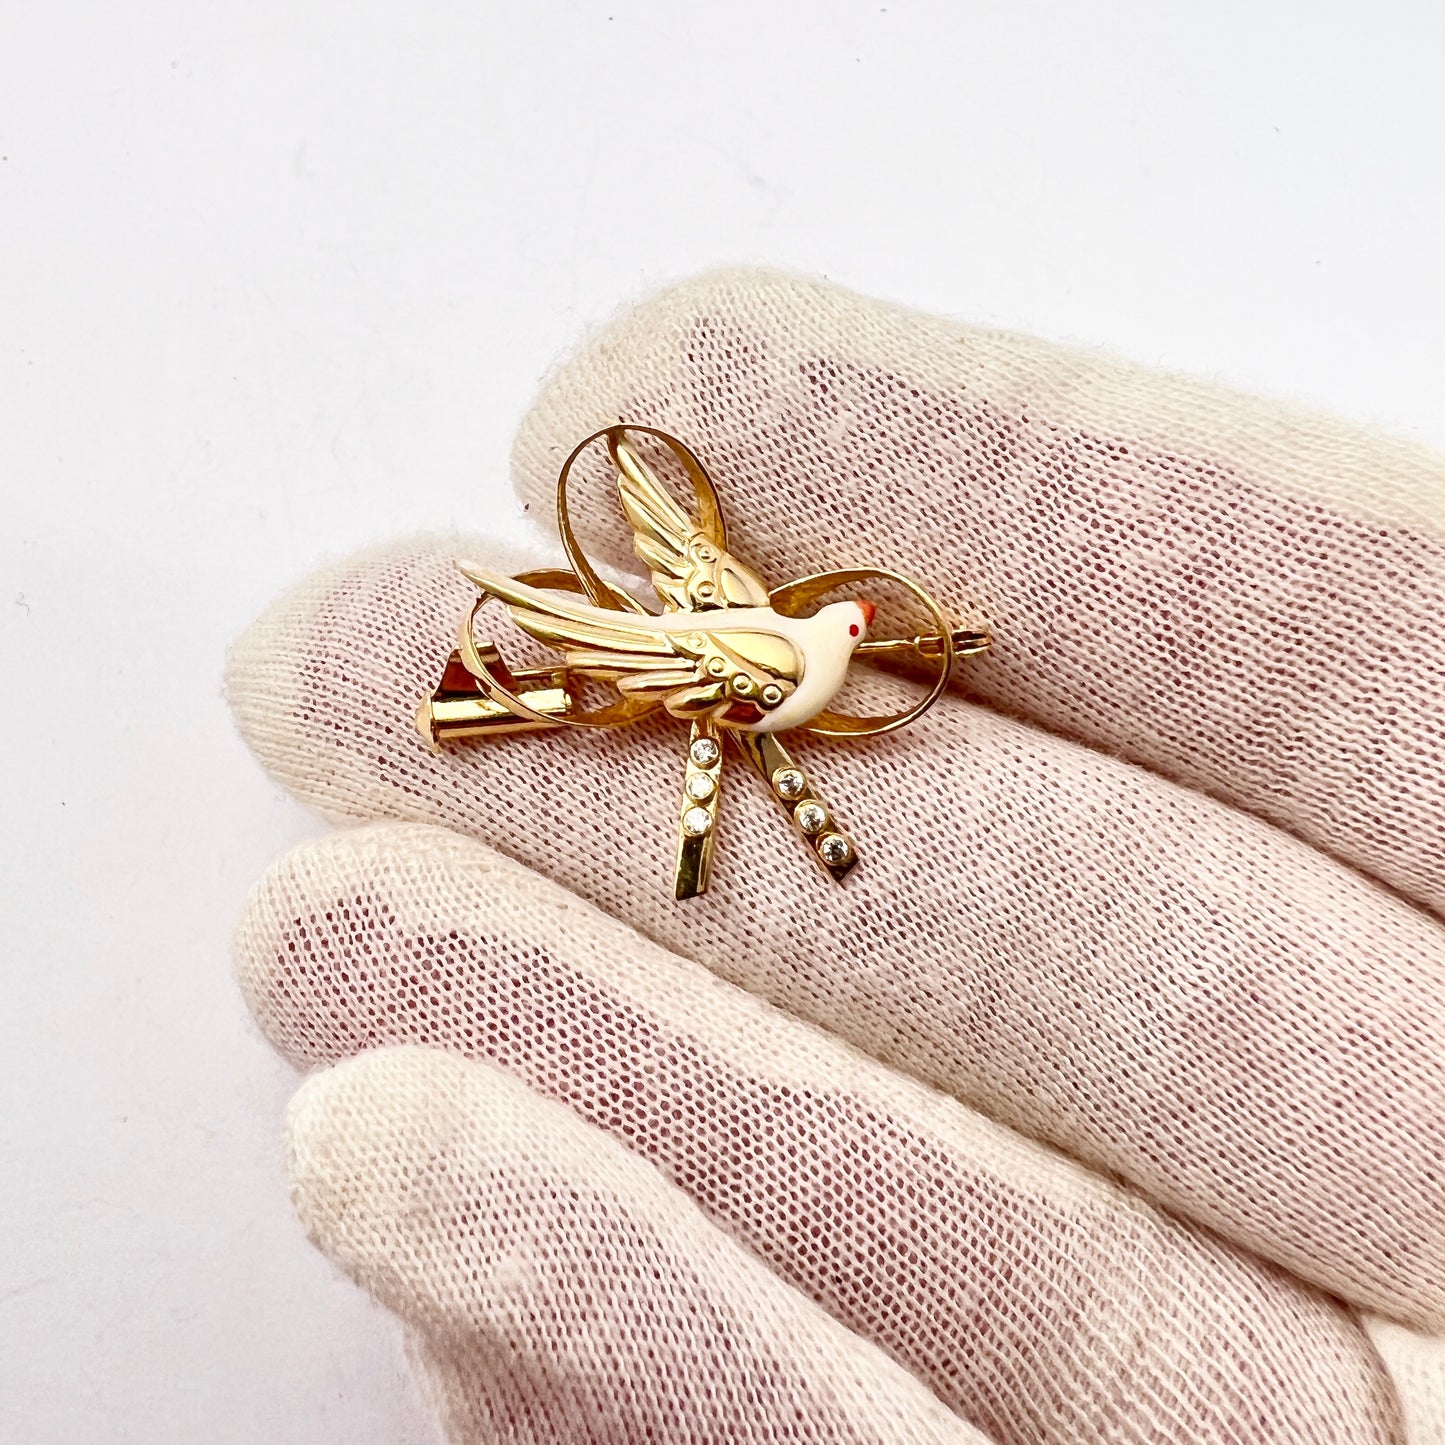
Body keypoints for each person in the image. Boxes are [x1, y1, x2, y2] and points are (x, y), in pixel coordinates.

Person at [228, 269, 1445, 1444]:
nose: (854, 629)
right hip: (669, 693)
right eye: (855, 623)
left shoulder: (806, 655)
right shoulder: (773, 648)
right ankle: (484, 700)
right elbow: (730, 699)